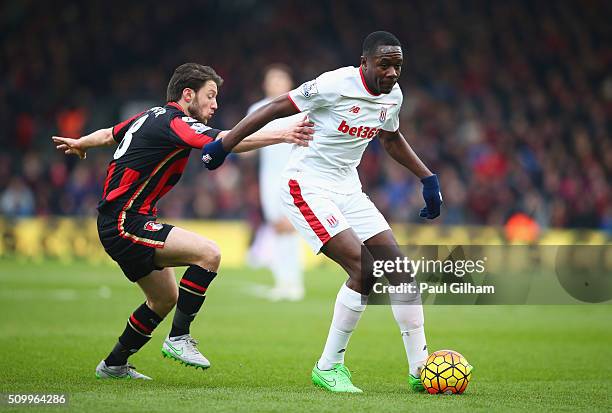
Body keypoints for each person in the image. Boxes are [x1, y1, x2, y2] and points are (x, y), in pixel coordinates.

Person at [201, 32, 443, 393]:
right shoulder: (334, 84)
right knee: (364, 269)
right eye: (385, 64)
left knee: (401, 272)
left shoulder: (393, 96)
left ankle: (421, 369)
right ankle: (329, 367)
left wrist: (427, 177)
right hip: (307, 185)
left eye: (398, 66)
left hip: (348, 188)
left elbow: (390, 138)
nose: (393, 72)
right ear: (365, 63)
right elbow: (274, 107)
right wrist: (225, 144)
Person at [52, 63, 313, 380]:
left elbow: (109, 134)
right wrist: (283, 134)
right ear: (188, 94)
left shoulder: (150, 115)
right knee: (209, 253)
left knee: (164, 299)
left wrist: (81, 142)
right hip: (125, 222)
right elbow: (228, 141)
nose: (215, 105)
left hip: (122, 220)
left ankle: (114, 365)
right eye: (210, 96)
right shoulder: (175, 122)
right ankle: (179, 338)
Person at [247, 64, 305, 301]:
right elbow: (247, 143)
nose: (277, 84)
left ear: (289, 83)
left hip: (294, 176)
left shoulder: (300, 109)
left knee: (290, 228)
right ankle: (284, 282)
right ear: (266, 84)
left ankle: (294, 282)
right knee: (277, 229)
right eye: (273, 80)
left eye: (281, 79)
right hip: (268, 179)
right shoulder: (257, 109)